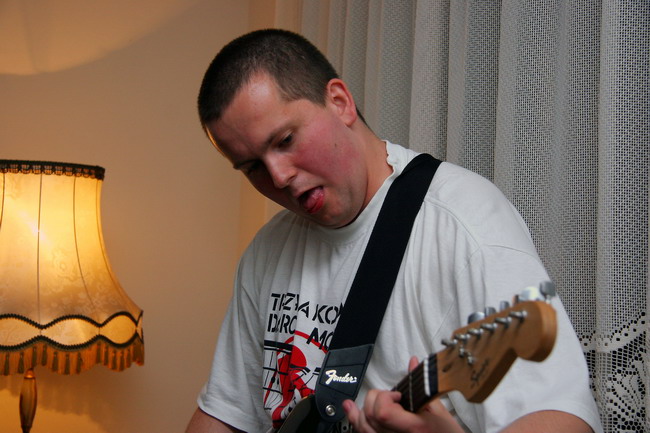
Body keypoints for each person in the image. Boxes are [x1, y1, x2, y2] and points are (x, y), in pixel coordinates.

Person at [186, 29, 603, 433]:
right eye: (253, 167)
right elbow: (227, 413)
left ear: (339, 102)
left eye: (285, 140)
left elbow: (561, 419)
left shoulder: (462, 223)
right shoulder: (269, 249)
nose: (278, 177)